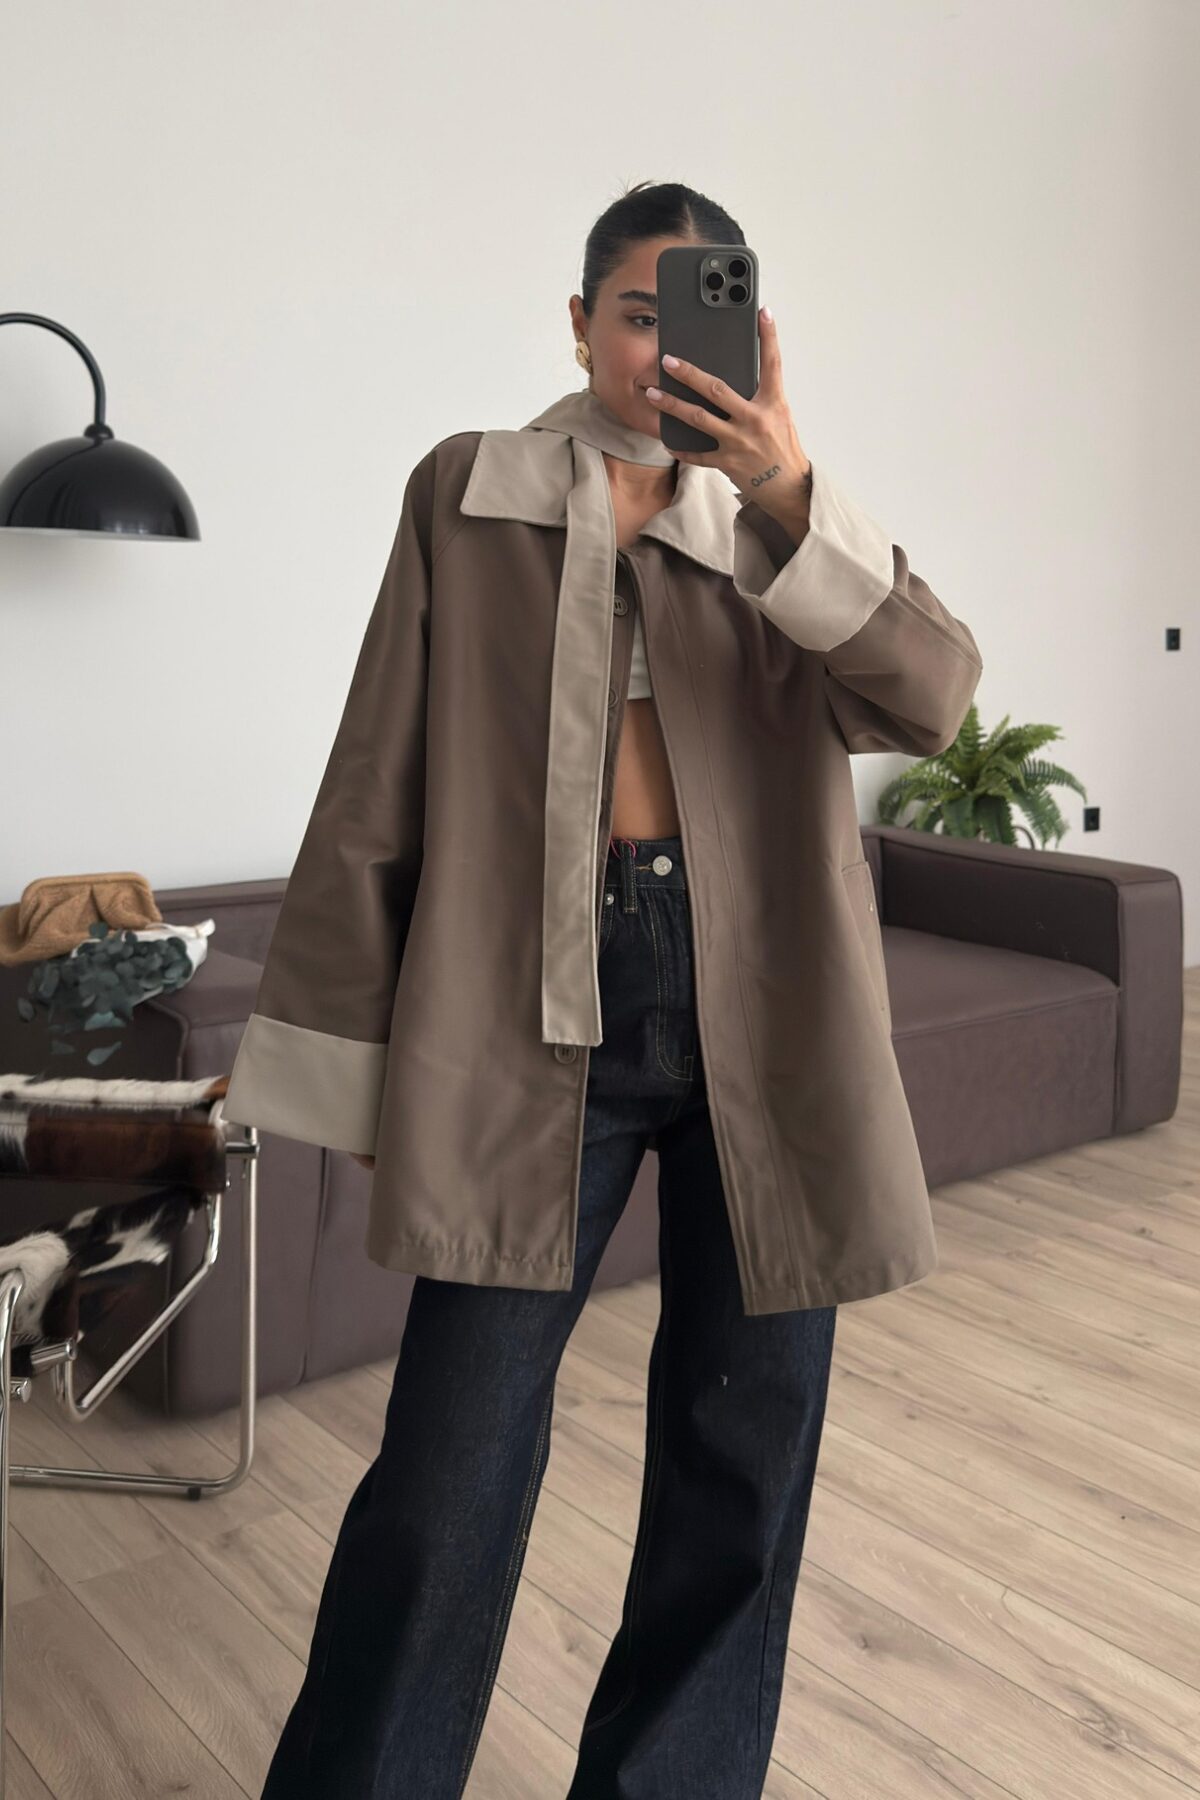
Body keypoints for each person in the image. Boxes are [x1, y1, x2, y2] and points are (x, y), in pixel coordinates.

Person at [233, 178, 982, 1798]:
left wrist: (785, 490)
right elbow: (376, 779)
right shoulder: (469, 491)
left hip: (763, 1009)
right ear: (579, 325)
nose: (665, 352)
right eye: (640, 315)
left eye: (702, 320)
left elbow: (933, 698)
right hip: (530, 1009)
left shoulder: (780, 523)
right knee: (447, 1468)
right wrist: (357, 1058)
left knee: (743, 1451)